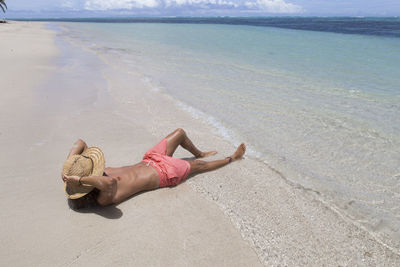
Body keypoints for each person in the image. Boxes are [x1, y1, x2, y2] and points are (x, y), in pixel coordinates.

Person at [62, 128, 246, 208]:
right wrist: (79, 180)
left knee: (180, 133)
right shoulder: (103, 198)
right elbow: (108, 182)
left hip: (150, 159)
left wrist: (68, 168)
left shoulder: (92, 173)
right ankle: (233, 158)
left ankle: (199, 152)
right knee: (199, 167)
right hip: (163, 173)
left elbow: (80, 143)